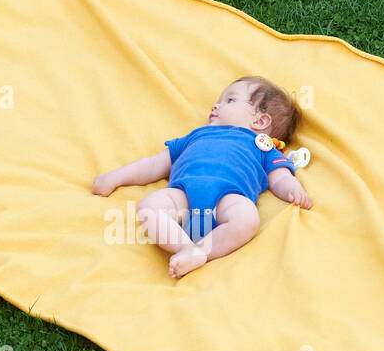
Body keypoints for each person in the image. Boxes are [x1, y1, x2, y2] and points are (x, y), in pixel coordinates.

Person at [92, 76, 313, 279]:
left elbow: (280, 177)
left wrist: (293, 190)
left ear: (260, 121)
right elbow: (152, 165)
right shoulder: (194, 137)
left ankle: (201, 251)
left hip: (227, 200)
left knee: (247, 219)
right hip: (182, 197)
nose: (215, 105)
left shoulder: (261, 147)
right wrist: (114, 178)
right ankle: (186, 249)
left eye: (230, 100)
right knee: (149, 206)